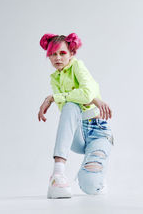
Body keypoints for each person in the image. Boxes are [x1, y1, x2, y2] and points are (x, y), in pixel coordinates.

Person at [38, 33, 114, 199]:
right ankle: (57, 174)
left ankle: (94, 172)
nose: (57, 57)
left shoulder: (78, 66)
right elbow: (69, 106)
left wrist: (52, 97)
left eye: (62, 53)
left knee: (90, 185)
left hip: (98, 132)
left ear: (71, 54)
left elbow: (86, 93)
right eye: (52, 54)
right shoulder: (54, 78)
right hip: (77, 133)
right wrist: (91, 98)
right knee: (70, 106)